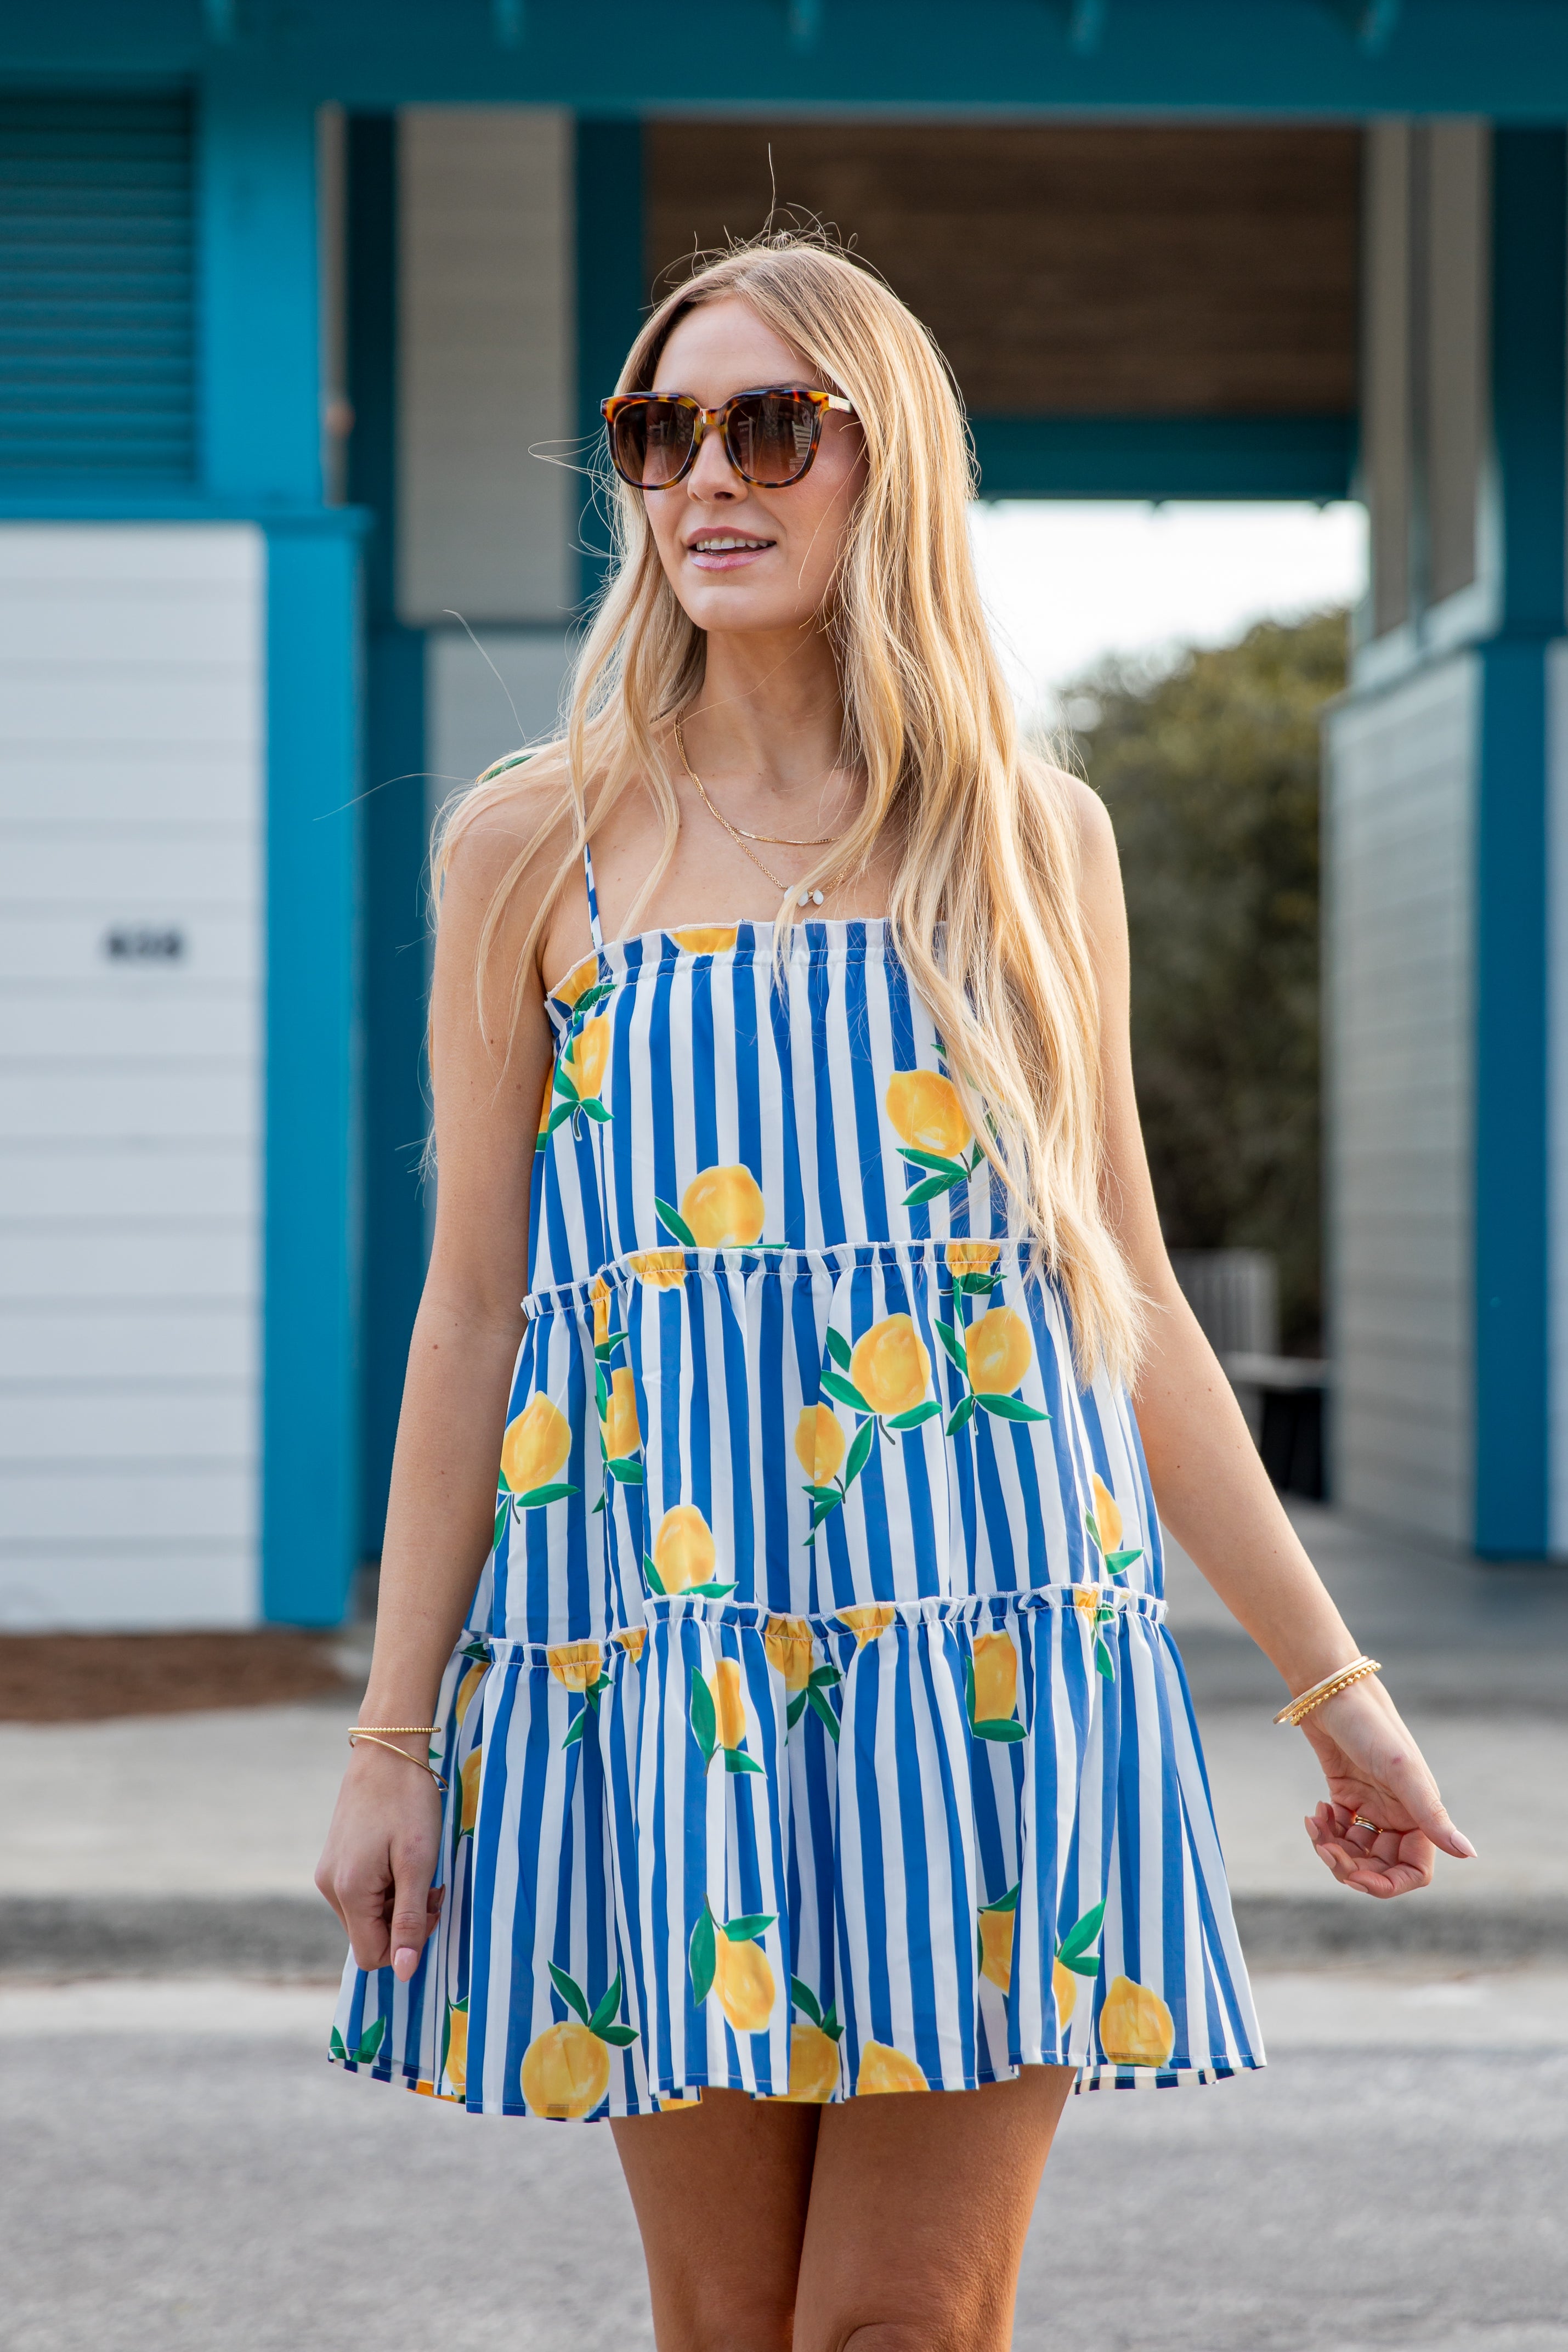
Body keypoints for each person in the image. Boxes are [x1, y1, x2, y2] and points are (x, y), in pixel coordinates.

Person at [315, 233, 1474, 2352]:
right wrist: (395, 1735)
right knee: (730, 2329)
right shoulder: (526, 850)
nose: (704, 480)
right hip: (662, 1672)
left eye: (772, 425)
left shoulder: (1034, 844)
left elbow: (1121, 1289)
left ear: (888, 469)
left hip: (994, 1659)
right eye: (660, 433)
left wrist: (1334, 1688)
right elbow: (472, 1308)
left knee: (903, 2328)